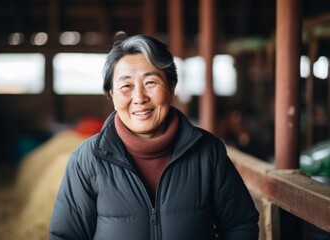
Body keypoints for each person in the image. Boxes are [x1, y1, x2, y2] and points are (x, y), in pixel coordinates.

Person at [49, 34, 259, 240]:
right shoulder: (86, 160)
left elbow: (240, 224)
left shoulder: (208, 152)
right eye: (126, 86)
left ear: (171, 87)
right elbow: (65, 236)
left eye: (150, 82)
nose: (139, 98)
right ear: (112, 96)